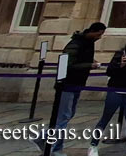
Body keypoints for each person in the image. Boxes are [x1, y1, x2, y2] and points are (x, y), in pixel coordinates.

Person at [31, 22, 106, 155]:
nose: (100, 37)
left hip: (77, 83)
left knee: (67, 115)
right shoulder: (75, 44)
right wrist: (90, 65)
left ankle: (41, 137)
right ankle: (56, 149)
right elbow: (68, 64)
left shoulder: (88, 43)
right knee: (63, 117)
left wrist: (92, 61)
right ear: (93, 31)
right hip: (67, 84)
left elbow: (81, 57)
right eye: (99, 34)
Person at [87, 27, 126, 156]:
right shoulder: (121, 53)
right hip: (117, 88)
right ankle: (93, 145)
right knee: (106, 117)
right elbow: (109, 71)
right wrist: (120, 65)